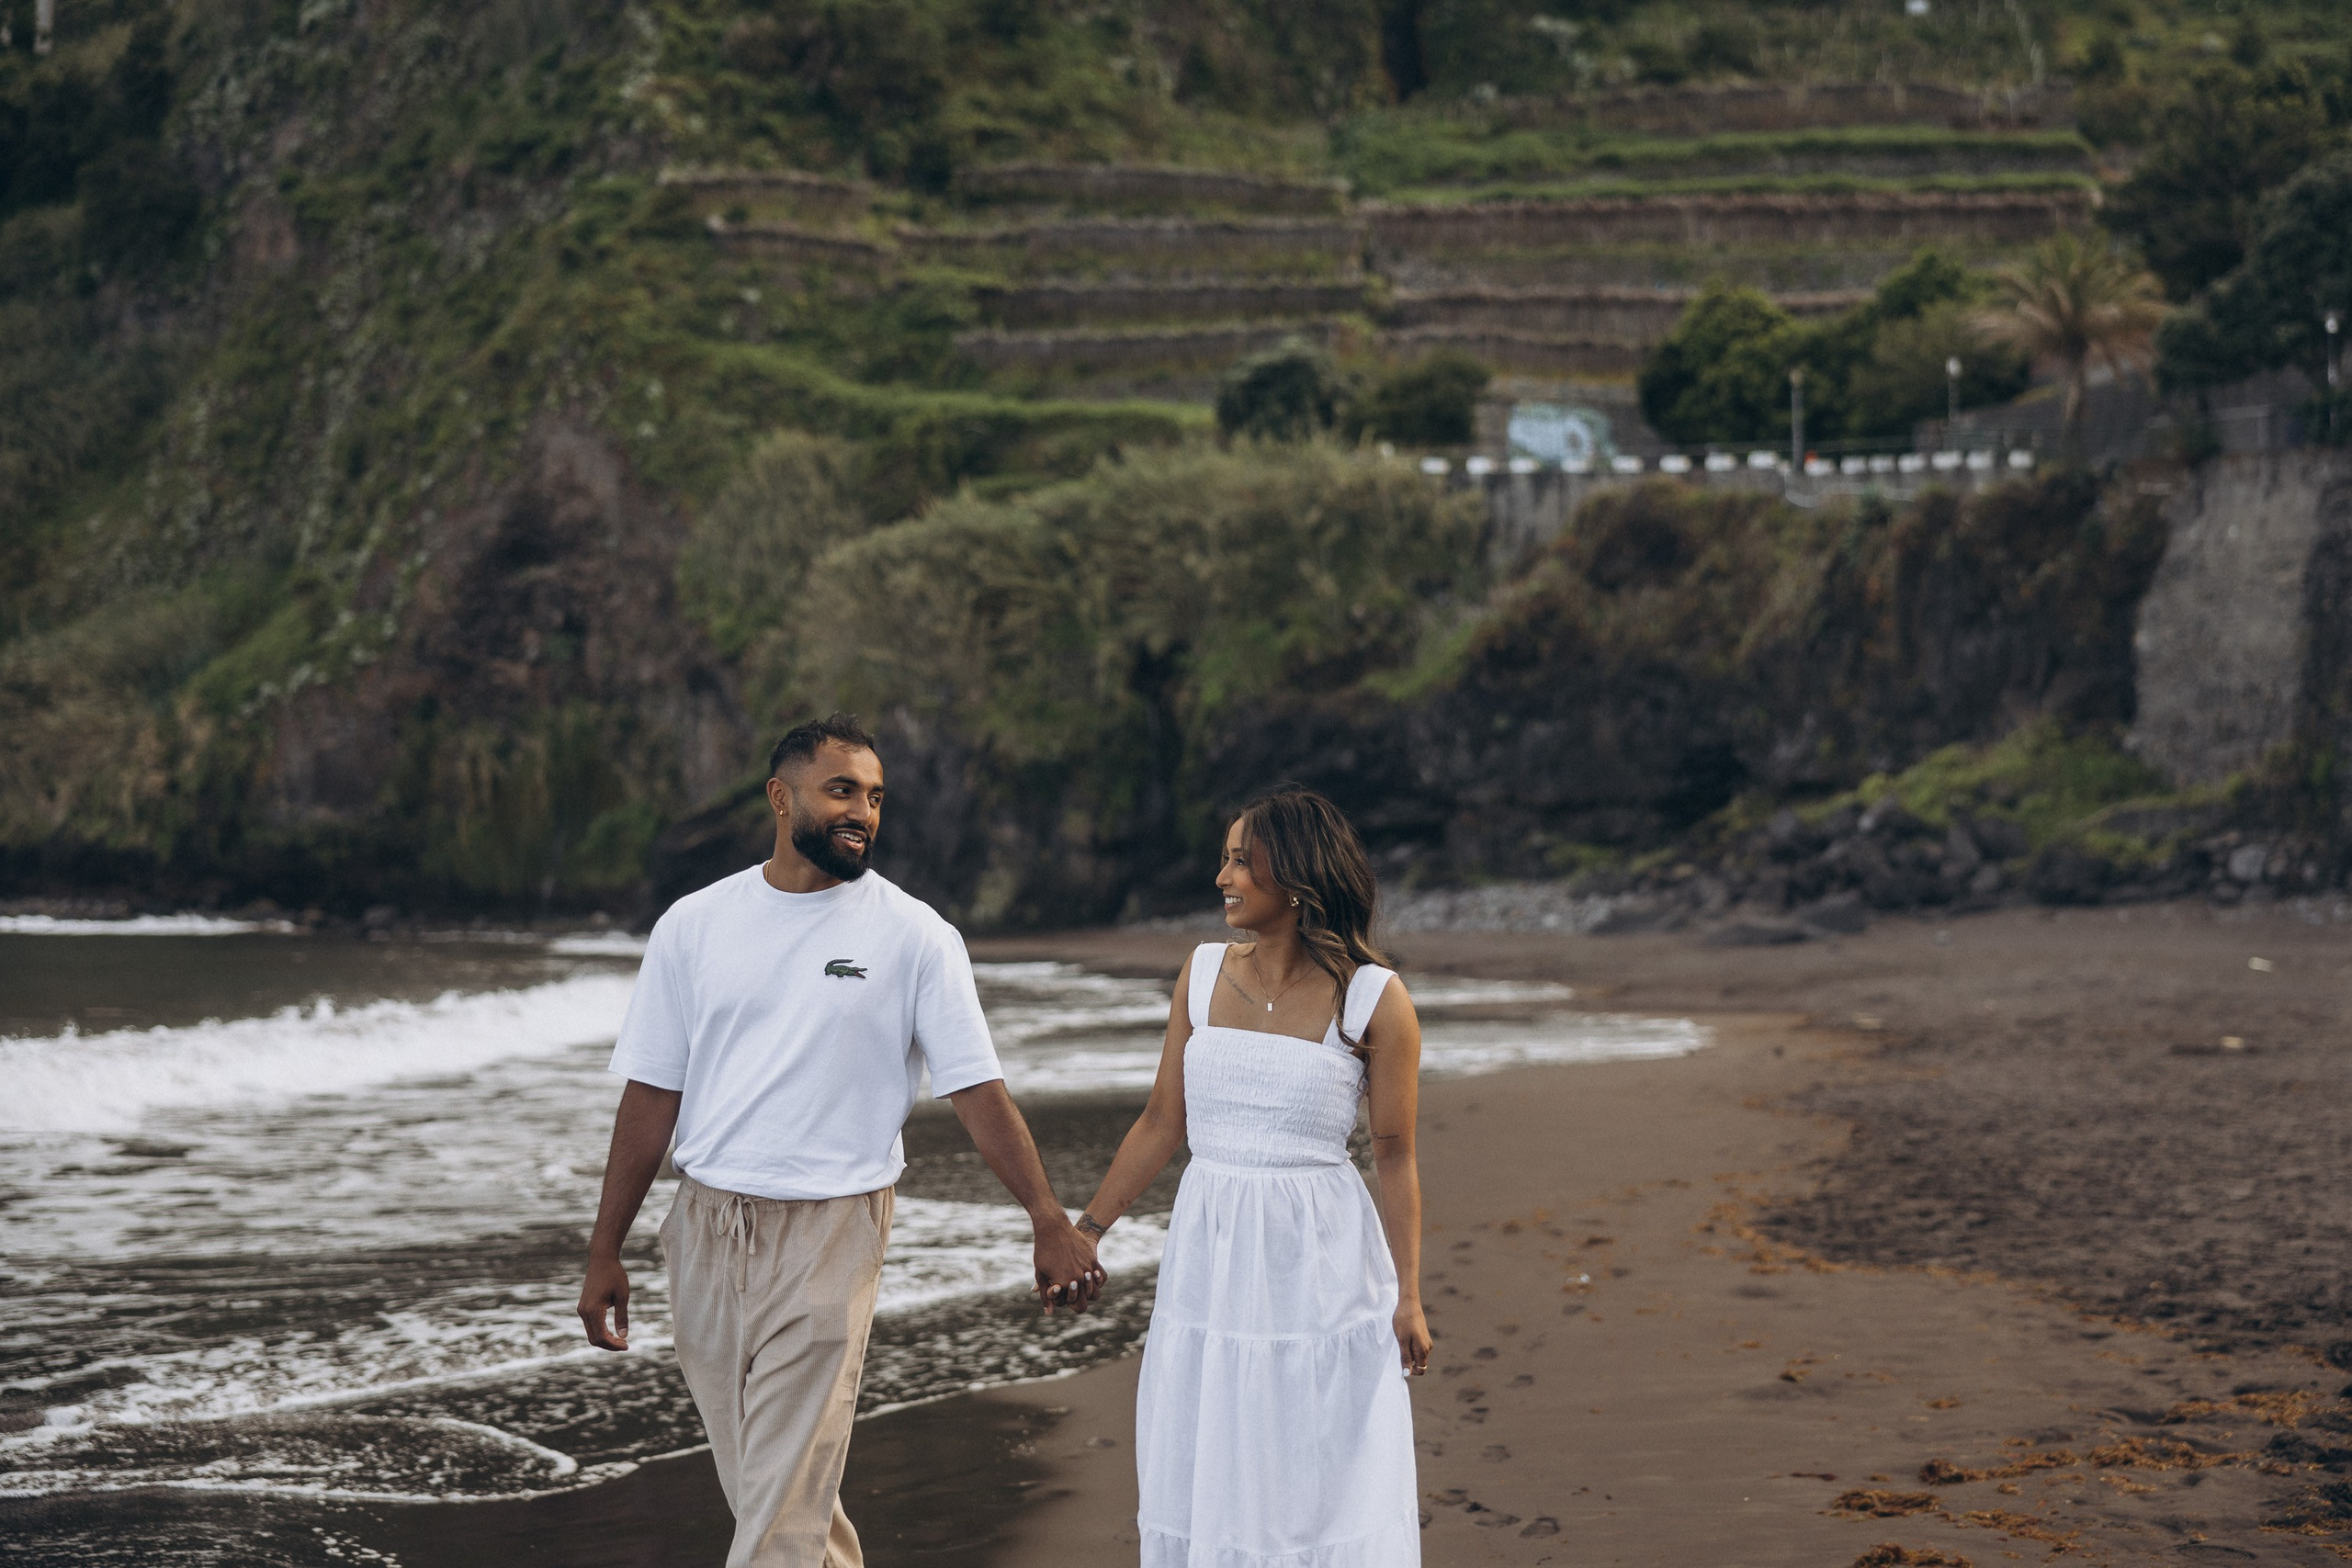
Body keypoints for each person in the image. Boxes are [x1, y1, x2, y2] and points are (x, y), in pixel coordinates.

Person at [575, 713, 1103, 1568]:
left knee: (780, 1505)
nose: (864, 810)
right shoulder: (693, 924)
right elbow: (650, 1093)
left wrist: (1047, 1216)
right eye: (842, 789)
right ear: (782, 798)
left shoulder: (915, 935)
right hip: (706, 1228)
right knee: (775, 1489)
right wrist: (606, 1246)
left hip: (832, 1228)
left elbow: (976, 1088)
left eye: (876, 796)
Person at [1074, 784, 1430, 1568]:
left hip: (1322, 1260)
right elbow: (1162, 1121)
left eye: (1241, 860)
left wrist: (1408, 1295)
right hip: (1213, 1253)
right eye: (1225, 857)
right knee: (1218, 1440)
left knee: (1319, 1452)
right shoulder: (1200, 974)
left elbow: (1395, 1153)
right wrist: (1087, 1229)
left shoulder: (1375, 999)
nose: (1221, 876)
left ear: (1296, 879)